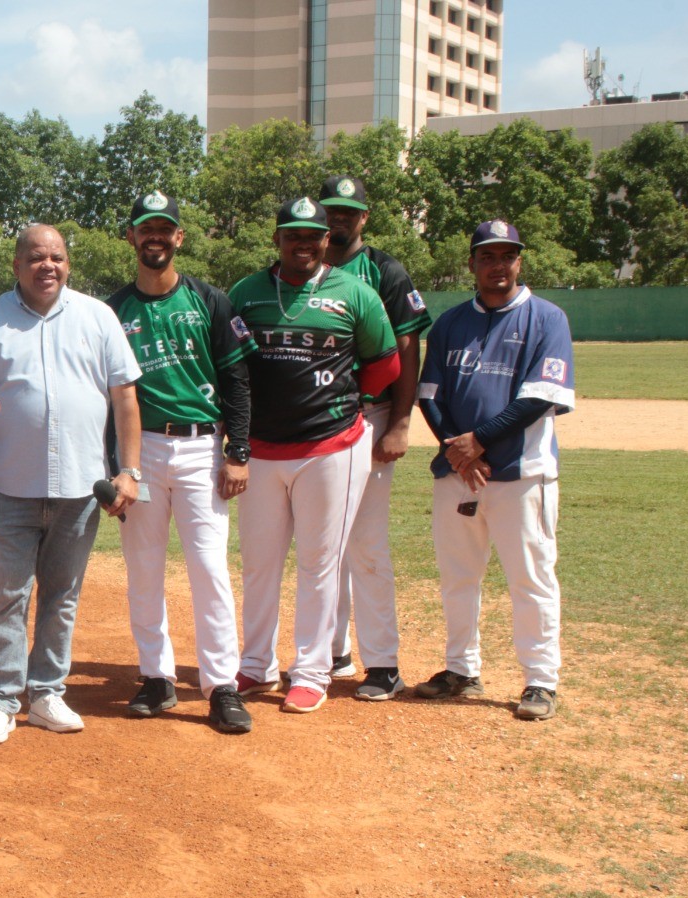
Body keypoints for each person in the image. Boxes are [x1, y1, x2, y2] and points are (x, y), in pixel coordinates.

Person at [0, 224, 142, 745]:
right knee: (7, 596)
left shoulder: (98, 317)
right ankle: (0, 700)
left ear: (68, 264)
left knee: (62, 595)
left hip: (80, 489)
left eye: (56, 256)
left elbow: (124, 398)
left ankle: (47, 692)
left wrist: (130, 470)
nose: (47, 266)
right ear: (17, 266)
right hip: (6, 489)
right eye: (36, 257)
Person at [228, 197, 399, 714]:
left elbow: (384, 364)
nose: (302, 243)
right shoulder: (247, 292)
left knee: (320, 563)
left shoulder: (356, 292)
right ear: (277, 238)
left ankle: (311, 671)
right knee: (259, 563)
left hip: (331, 447)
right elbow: (232, 365)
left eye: (313, 235)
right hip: (261, 448)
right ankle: (255, 667)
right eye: (292, 234)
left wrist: (341, 404)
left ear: (327, 240)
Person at [104, 191, 256, 734]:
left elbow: (237, 381)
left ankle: (221, 686)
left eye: (165, 229)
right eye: (146, 228)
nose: (155, 237)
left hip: (199, 447)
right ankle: (156, 677)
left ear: (178, 238)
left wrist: (237, 451)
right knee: (143, 569)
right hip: (141, 451)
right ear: (132, 237)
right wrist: (116, 468)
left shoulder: (209, 300)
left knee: (209, 569)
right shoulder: (113, 310)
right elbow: (107, 398)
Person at [415, 220, 572, 720]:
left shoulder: (547, 319)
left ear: (519, 262)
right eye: (487, 256)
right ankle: (462, 668)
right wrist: (457, 449)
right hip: (457, 474)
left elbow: (540, 397)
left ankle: (541, 681)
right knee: (458, 577)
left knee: (532, 578)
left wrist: (478, 442)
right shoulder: (450, 324)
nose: (497, 265)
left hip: (521, 474)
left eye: (506, 256)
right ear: (472, 264)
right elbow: (429, 396)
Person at [319, 175, 433, 700]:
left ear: (363, 218)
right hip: (318, 422)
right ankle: (333, 651)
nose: (338, 219)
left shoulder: (383, 270)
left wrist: (403, 421)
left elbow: (407, 349)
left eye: (349, 212)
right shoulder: (304, 267)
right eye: (331, 210)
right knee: (326, 543)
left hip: (371, 416)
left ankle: (383, 664)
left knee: (365, 543)